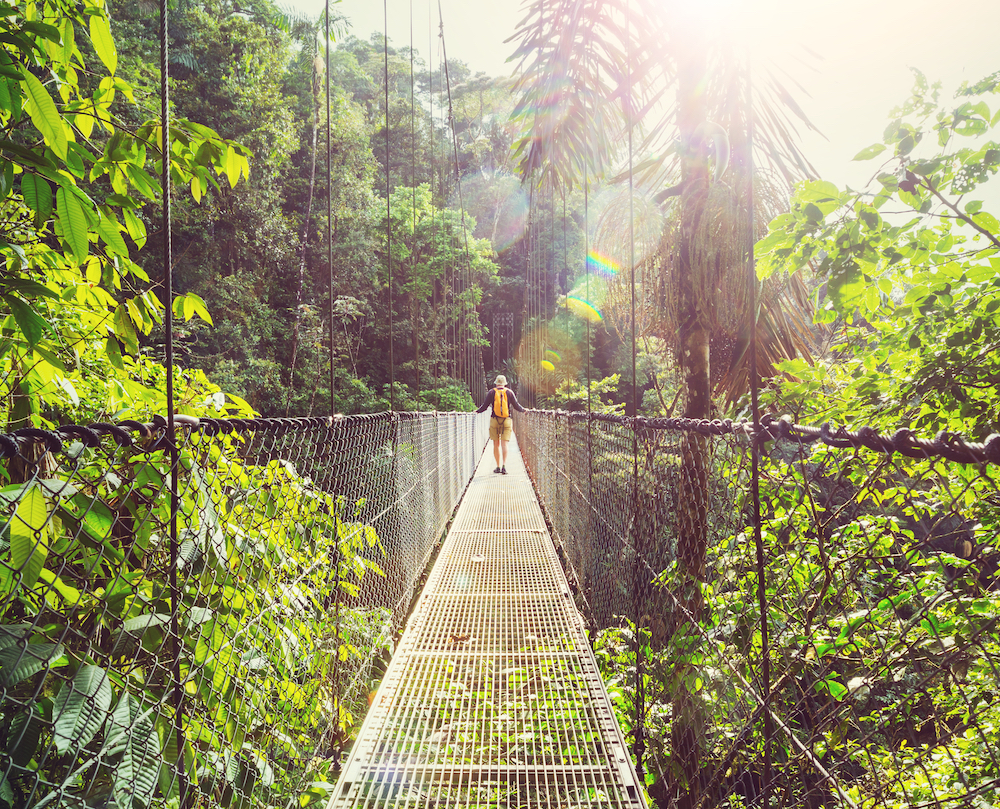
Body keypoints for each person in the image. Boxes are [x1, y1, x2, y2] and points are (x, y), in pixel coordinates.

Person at [476, 374, 525, 474]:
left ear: (496, 383)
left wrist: (477, 411)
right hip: (506, 420)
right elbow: (516, 406)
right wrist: (524, 410)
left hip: (494, 420)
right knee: (504, 444)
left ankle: (497, 466)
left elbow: (484, 406)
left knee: (496, 444)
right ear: (505, 383)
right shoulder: (509, 392)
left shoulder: (491, 392)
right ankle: (504, 466)